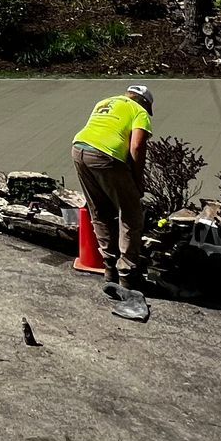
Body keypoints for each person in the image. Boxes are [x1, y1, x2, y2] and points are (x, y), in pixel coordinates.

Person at [70, 83, 153, 294]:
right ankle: (127, 276)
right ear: (144, 101)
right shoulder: (139, 111)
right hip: (106, 156)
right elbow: (137, 146)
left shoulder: (104, 102)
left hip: (79, 149)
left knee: (99, 211)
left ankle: (109, 269)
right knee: (131, 214)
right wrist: (137, 180)